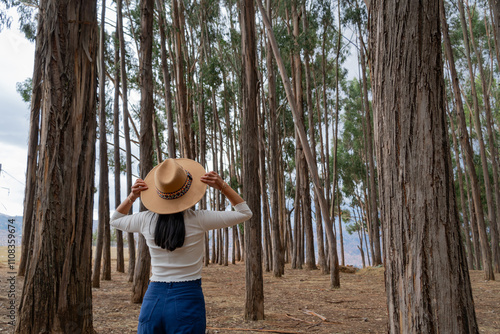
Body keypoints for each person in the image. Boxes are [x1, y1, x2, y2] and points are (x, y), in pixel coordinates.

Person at [110, 158, 252, 334]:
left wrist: (132, 196)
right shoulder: (199, 219)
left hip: (152, 299)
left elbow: (115, 220)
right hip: (187, 297)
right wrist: (223, 186)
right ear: (188, 191)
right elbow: (245, 212)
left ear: (159, 192)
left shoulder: (146, 219)